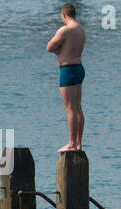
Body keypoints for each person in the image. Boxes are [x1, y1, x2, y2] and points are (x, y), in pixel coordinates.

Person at [47, 4, 86, 152]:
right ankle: (78, 144)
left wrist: (58, 52)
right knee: (77, 107)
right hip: (79, 68)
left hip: (68, 70)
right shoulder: (81, 30)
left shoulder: (65, 30)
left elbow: (49, 47)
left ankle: (71, 143)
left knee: (70, 108)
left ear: (64, 15)